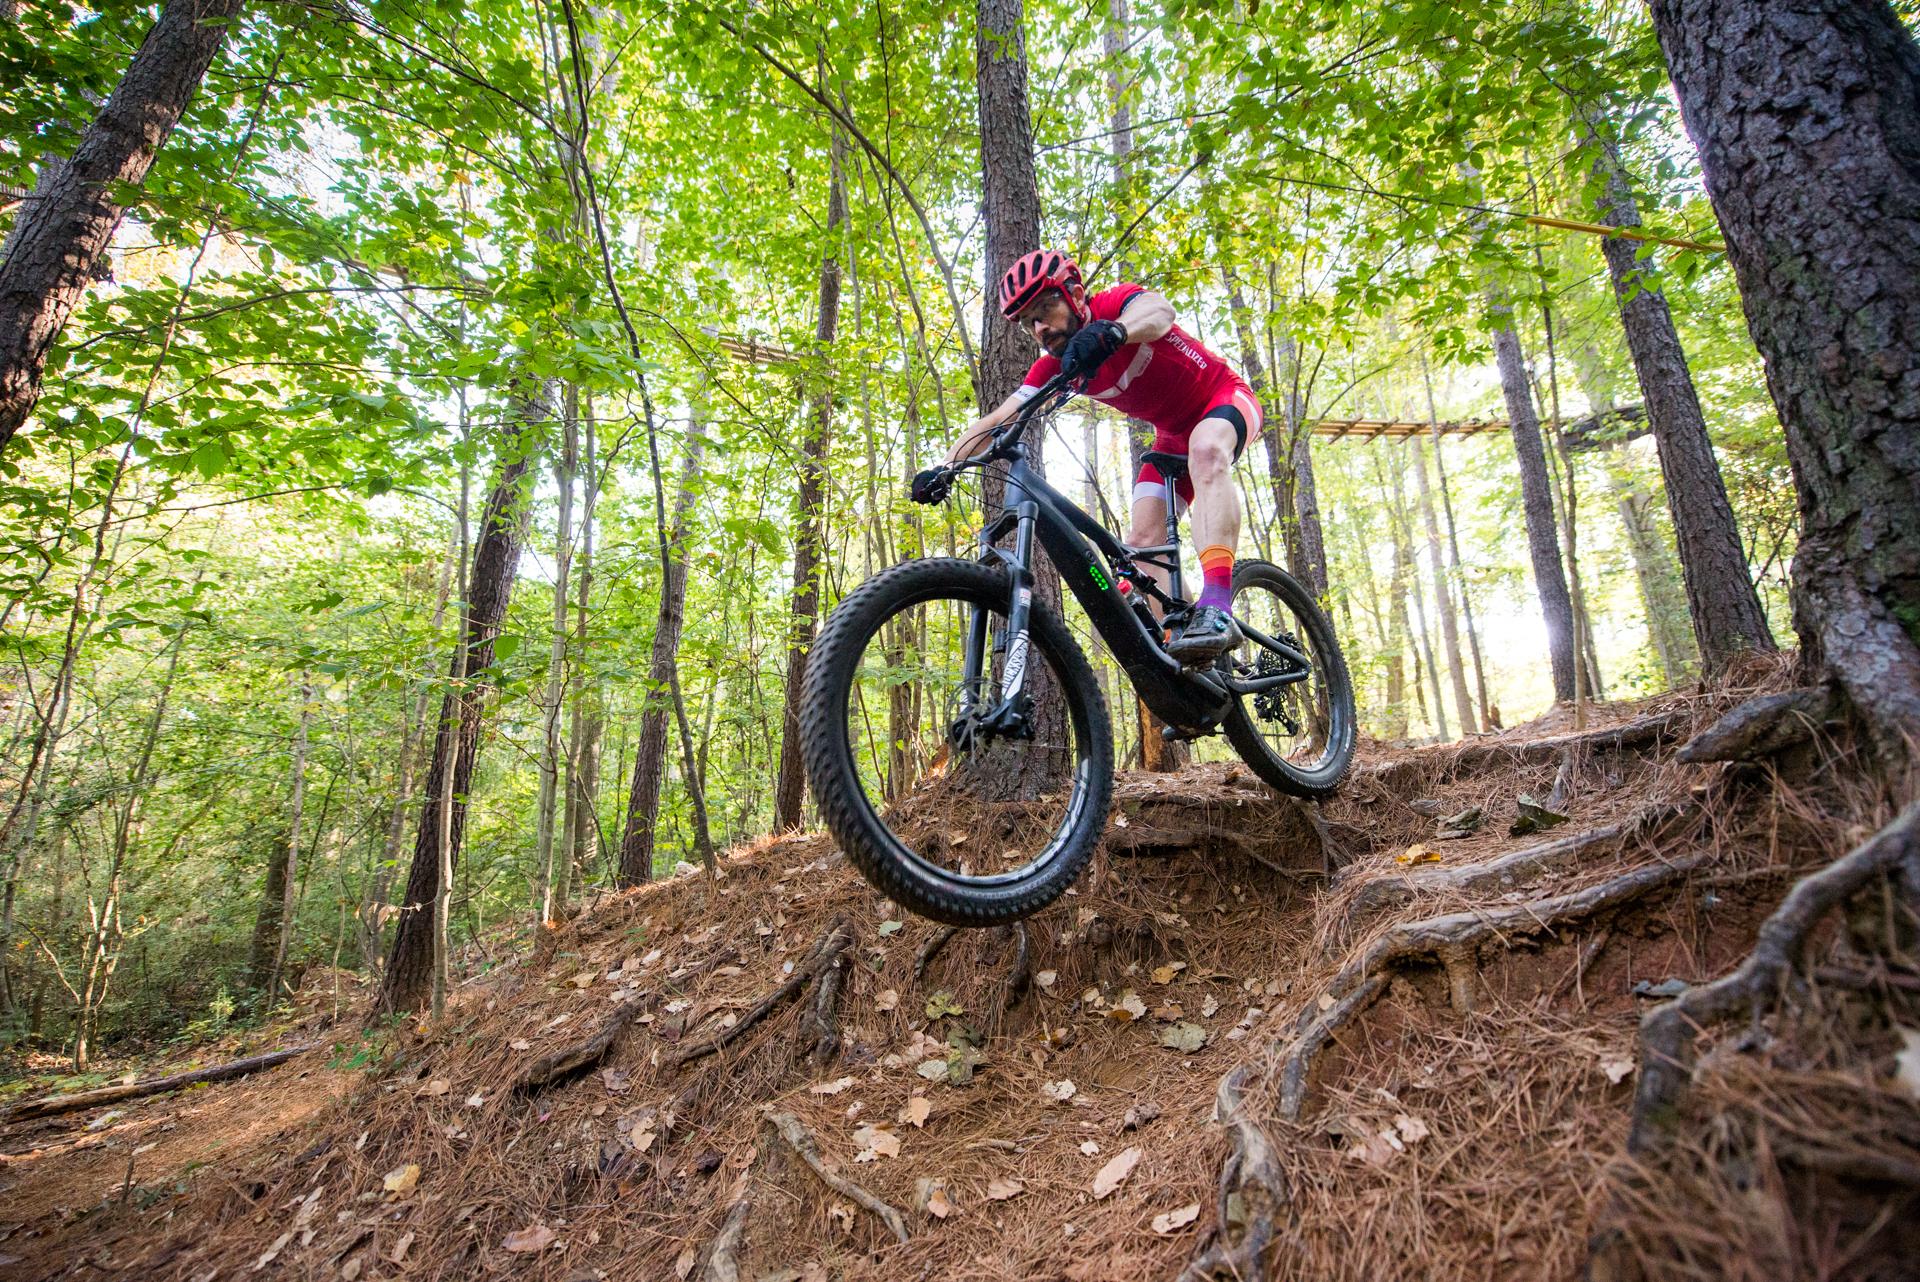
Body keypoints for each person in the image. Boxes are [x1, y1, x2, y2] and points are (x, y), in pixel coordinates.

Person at [914, 249, 1263, 662]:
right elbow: (1000, 417)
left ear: (1076, 295)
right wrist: (947, 466)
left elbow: (1159, 311)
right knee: (1142, 549)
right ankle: (1188, 653)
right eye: (1030, 322)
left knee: (1206, 450)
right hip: (1171, 438)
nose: (1041, 327)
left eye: (1047, 309)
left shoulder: (1114, 306)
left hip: (1223, 399)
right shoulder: (1057, 369)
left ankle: (1218, 605)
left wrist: (1114, 331)